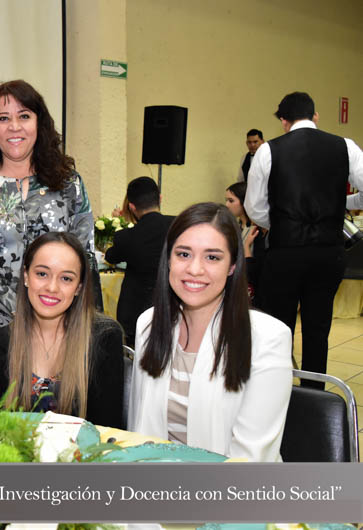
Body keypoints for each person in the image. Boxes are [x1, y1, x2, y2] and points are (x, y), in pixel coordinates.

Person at [0, 79, 100, 404]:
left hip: (60, 330)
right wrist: (22, 309)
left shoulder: (68, 181)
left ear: (39, 123)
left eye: (24, 116)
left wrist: (51, 308)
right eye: (3, 118)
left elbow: (83, 254)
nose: (14, 127)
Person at [128, 202, 292, 462]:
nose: (195, 269)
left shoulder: (267, 338)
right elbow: (140, 428)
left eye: (212, 257)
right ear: (168, 259)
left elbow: (250, 459)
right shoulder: (149, 324)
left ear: (232, 266)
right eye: (183, 254)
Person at [245, 91, 363, 388]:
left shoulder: (268, 151)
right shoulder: (345, 146)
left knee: (278, 328)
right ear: (316, 116)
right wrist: (344, 204)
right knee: (317, 329)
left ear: (284, 121)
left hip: (286, 252)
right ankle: (314, 394)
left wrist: (281, 222)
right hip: (329, 252)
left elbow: (254, 207)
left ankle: (276, 392)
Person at [0, 232, 123, 427]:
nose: (52, 287)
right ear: (26, 276)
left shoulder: (104, 337)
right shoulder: (2, 342)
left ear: (79, 287)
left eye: (66, 278)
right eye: (42, 274)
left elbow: (109, 430)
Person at [104, 177, 174, 346]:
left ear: (131, 206)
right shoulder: (177, 226)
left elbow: (110, 257)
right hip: (171, 306)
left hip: (135, 312)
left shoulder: (126, 237)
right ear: (160, 198)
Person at [225, 182, 264, 305]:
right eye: (226, 200)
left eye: (231, 201)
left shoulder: (257, 230)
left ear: (244, 202)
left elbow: (254, 270)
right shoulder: (235, 227)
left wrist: (246, 247)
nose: (227, 205)